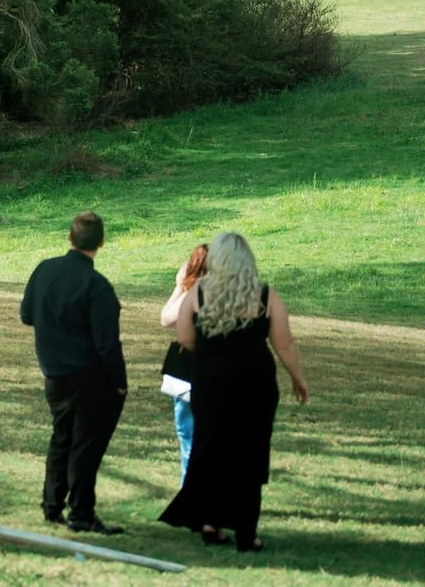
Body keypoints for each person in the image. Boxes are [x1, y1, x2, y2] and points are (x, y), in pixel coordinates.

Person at [159, 232, 309, 553]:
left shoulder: (198, 292)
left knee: (210, 449)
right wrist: (298, 378)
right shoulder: (266, 296)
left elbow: (185, 337)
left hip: (211, 384)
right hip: (255, 385)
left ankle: (210, 522)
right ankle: (246, 533)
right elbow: (283, 342)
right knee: (250, 456)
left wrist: (212, 352)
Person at [20, 210, 127, 534]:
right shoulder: (97, 286)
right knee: (86, 445)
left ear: (70, 237)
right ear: (101, 242)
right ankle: (81, 512)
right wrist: (119, 383)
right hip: (90, 376)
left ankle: (52, 505)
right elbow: (107, 343)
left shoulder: (44, 270)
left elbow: (27, 315)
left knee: (62, 437)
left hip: (54, 372)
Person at [159, 242, 209, 482]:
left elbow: (166, 318)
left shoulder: (195, 294)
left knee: (189, 437)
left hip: (191, 376)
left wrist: (180, 286)